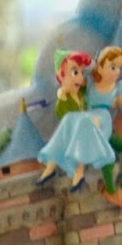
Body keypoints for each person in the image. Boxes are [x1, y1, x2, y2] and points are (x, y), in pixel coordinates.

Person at [37, 50, 112, 191]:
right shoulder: (65, 99)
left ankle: (77, 170)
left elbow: (92, 72)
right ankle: (53, 167)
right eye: (75, 72)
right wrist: (62, 93)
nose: (80, 77)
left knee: (82, 124)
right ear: (61, 76)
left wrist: (92, 63)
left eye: (81, 73)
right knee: (72, 123)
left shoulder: (82, 92)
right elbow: (63, 113)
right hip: (77, 132)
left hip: (96, 124)